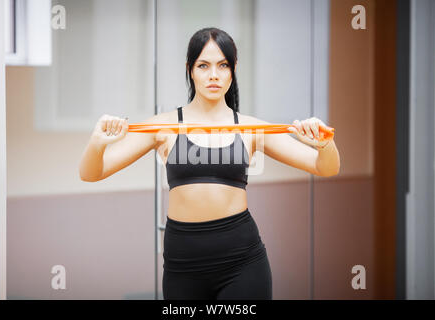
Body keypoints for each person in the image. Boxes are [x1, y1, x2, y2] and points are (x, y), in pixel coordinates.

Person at [79, 27, 340, 300]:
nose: (213, 75)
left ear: (233, 69)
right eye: (203, 65)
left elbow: (326, 167)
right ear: (190, 69)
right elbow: (91, 173)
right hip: (183, 266)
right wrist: (98, 142)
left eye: (222, 65)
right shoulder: (163, 126)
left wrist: (324, 143)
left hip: (243, 262)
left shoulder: (251, 128)